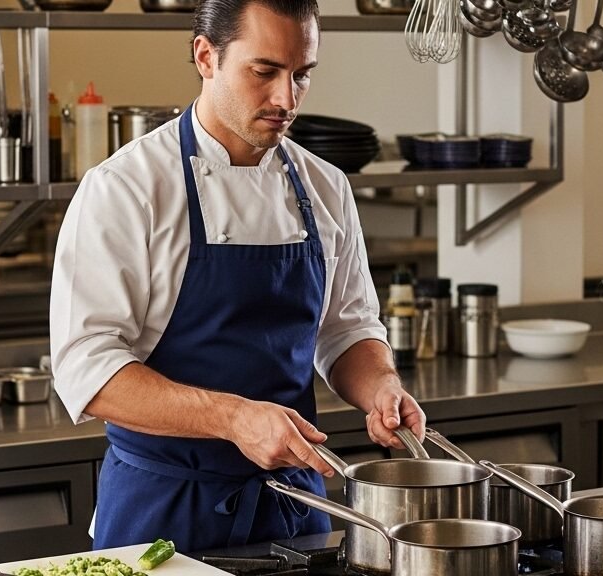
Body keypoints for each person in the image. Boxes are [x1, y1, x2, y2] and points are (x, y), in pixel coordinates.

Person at [49, 0, 426, 554]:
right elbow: (87, 367)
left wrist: (382, 388)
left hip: (296, 510)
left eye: (302, 75)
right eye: (264, 71)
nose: (286, 99)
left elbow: (347, 329)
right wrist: (233, 419)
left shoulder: (326, 186)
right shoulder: (127, 188)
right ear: (206, 56)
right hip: (164, 514)